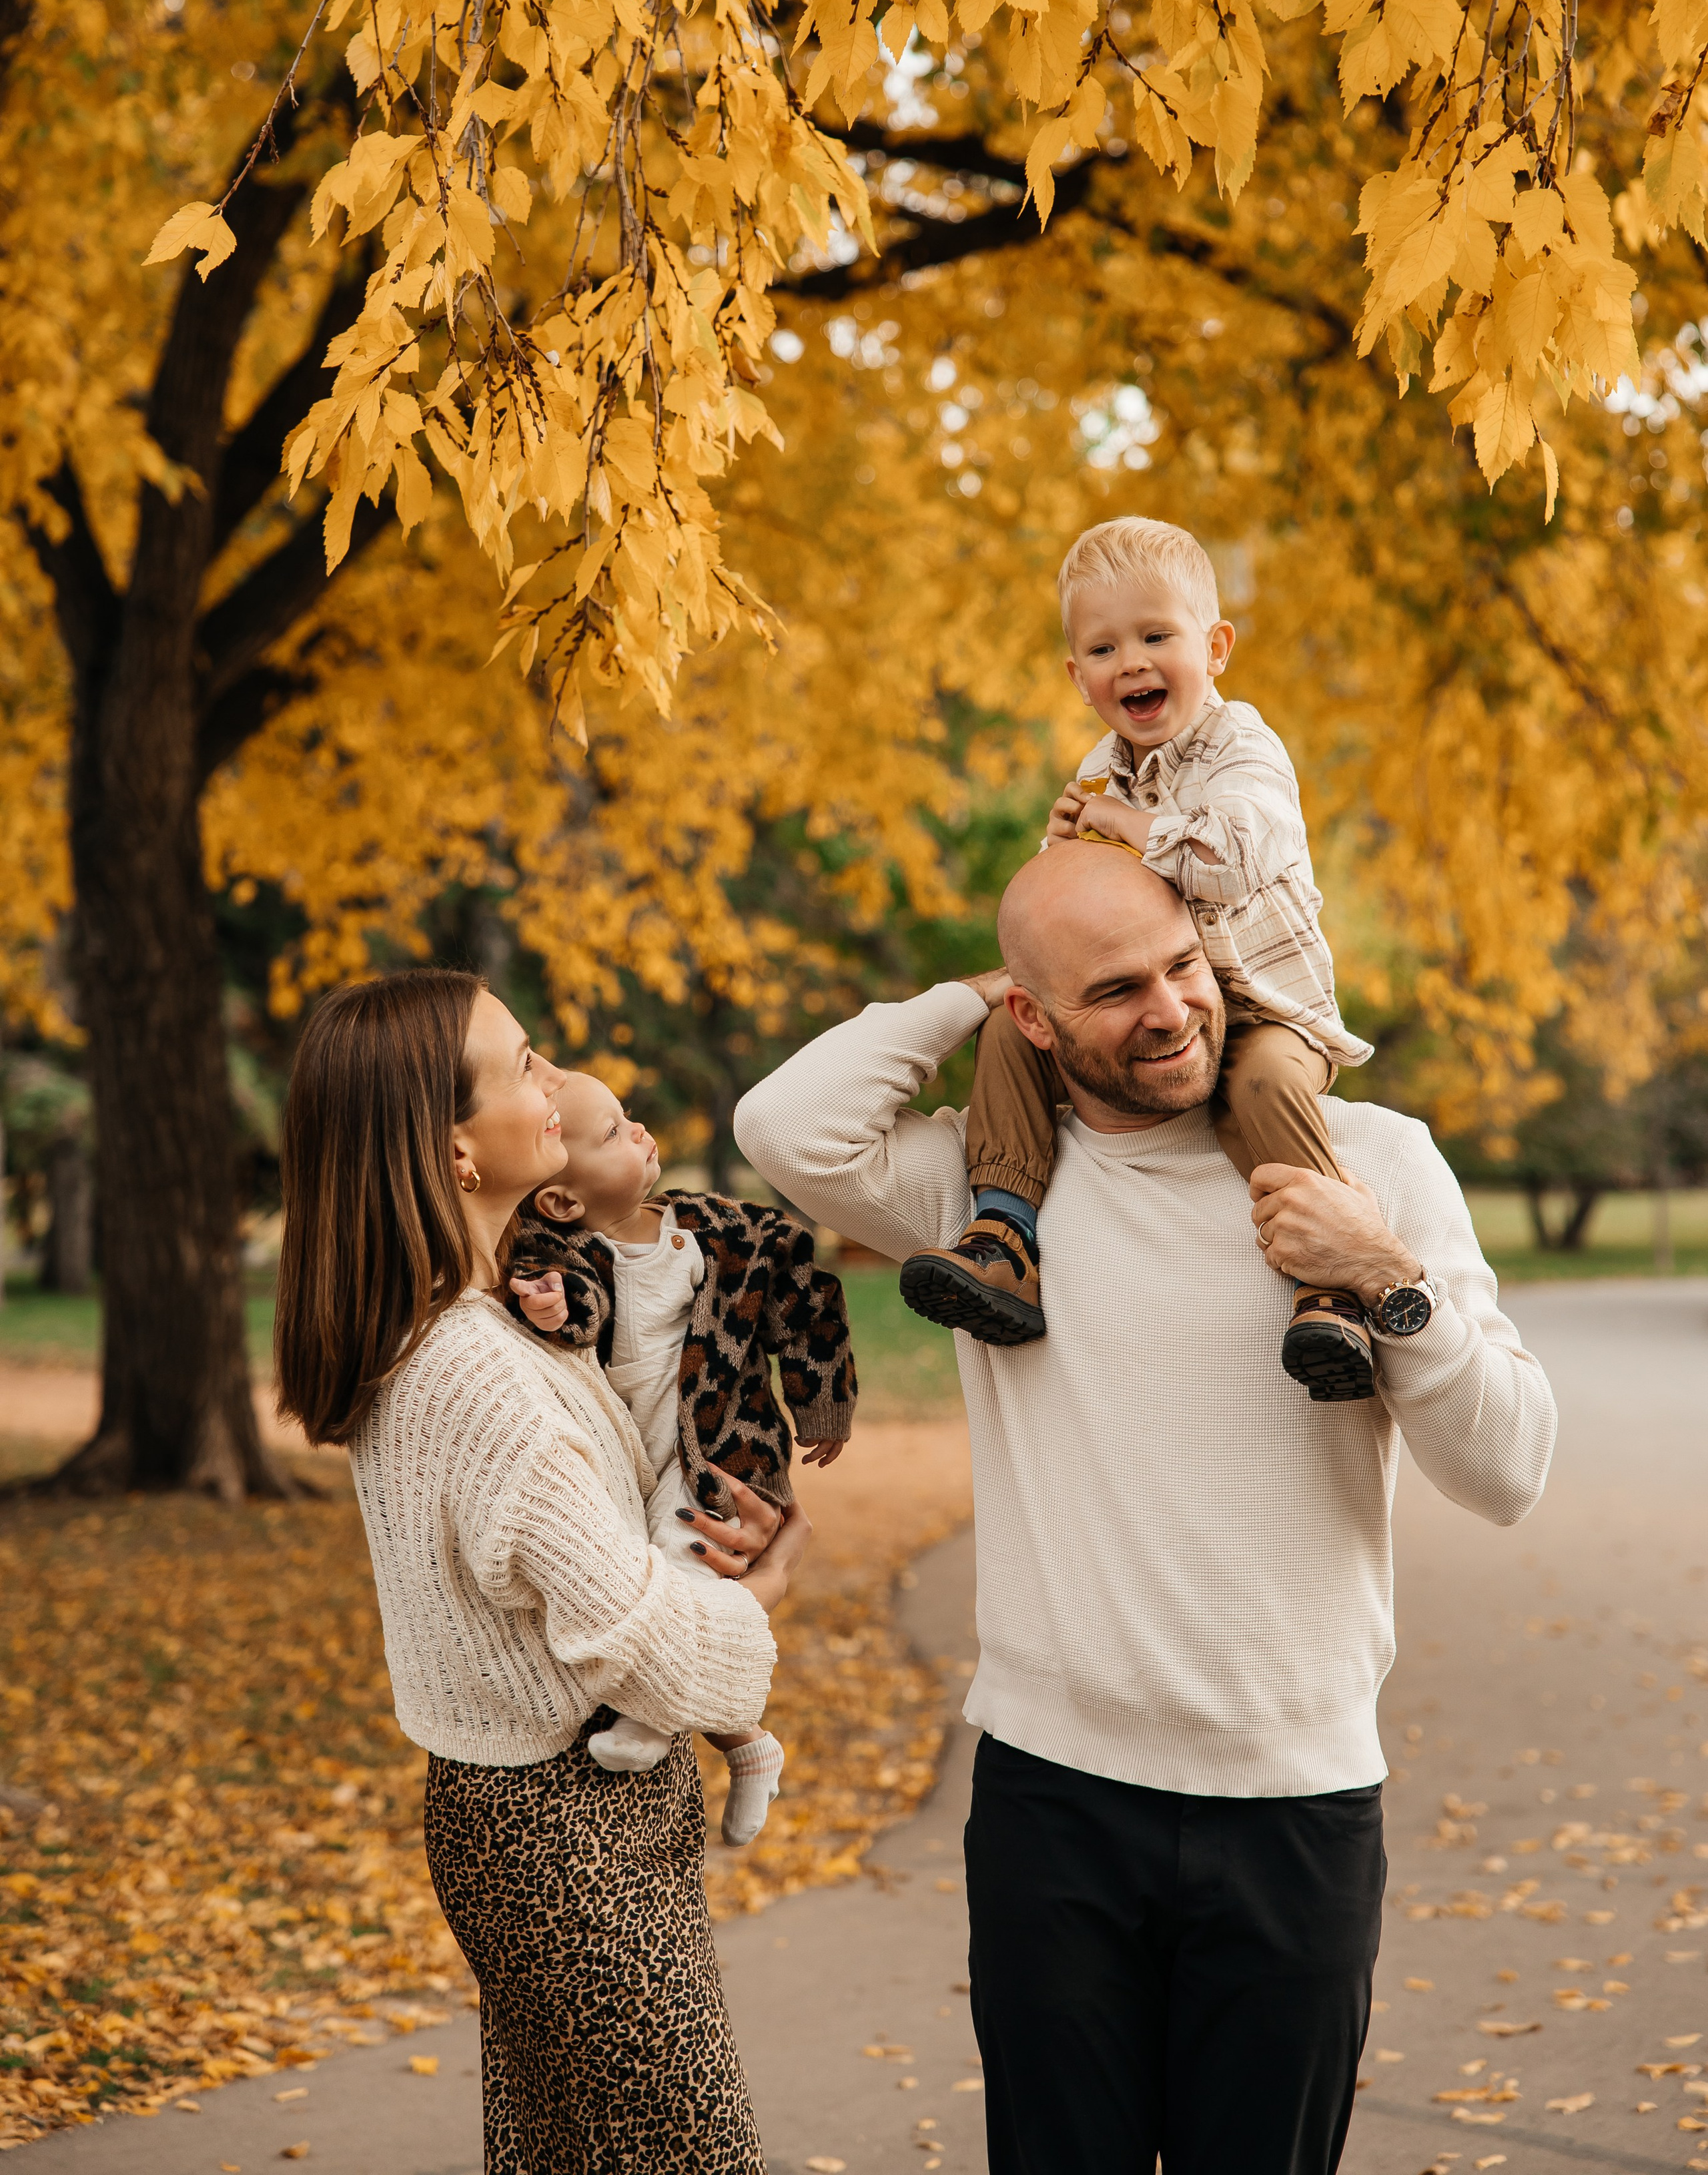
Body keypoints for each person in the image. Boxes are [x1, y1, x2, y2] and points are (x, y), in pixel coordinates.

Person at [732, 845, 1557, 2175]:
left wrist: (1392, 1285)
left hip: (1294, 1802)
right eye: (1111, 990)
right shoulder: (980, 1199)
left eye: (1181, 966)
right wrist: (968, 990)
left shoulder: (1371, 1161)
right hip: (1051, 1805)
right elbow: (784, 1126)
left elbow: (1508, 1471)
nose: (1170, 1010)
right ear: (1030, 1016)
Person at [274, 970, 809, 2175]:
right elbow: (647, 1644)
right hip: (564, 1836)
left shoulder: (481, 1320)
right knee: (686, 2158)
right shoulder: (478, 1380)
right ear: (454, 1150)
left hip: (540, 1822)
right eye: (521, 1064)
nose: (552, 1079)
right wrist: (765, 1589)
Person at [898, 514, 1380, 1401]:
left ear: (1216, 646)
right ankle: (1003, 1237)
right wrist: (1060, 857)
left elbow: (1232, 860)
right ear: (1078, 676)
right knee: (1020, 1030)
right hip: (1146, 1009)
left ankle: (1332, 1286)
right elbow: (1067, 921)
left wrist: (1130, 829)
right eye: (1105, 646)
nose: (1133, 661)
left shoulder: (1245, 750)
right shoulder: (1097, 773)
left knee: (1267, 1088)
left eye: (1157, 635)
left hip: (1264, 1008)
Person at [503, 1068, 857, 1845]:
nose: (639, 1132)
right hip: (630, 1453)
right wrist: (552, 1306)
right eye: (611, 1134)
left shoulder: (721, 1230)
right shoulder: (560, 1249)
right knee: (629, 1580)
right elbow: (572, 1313)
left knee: (681, 1554)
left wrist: (821, 1402)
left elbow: (806, 1294)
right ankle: (747, 1742)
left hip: (720, 1445)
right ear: (564, 1200)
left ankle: (649, 1719)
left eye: (630, 1119)